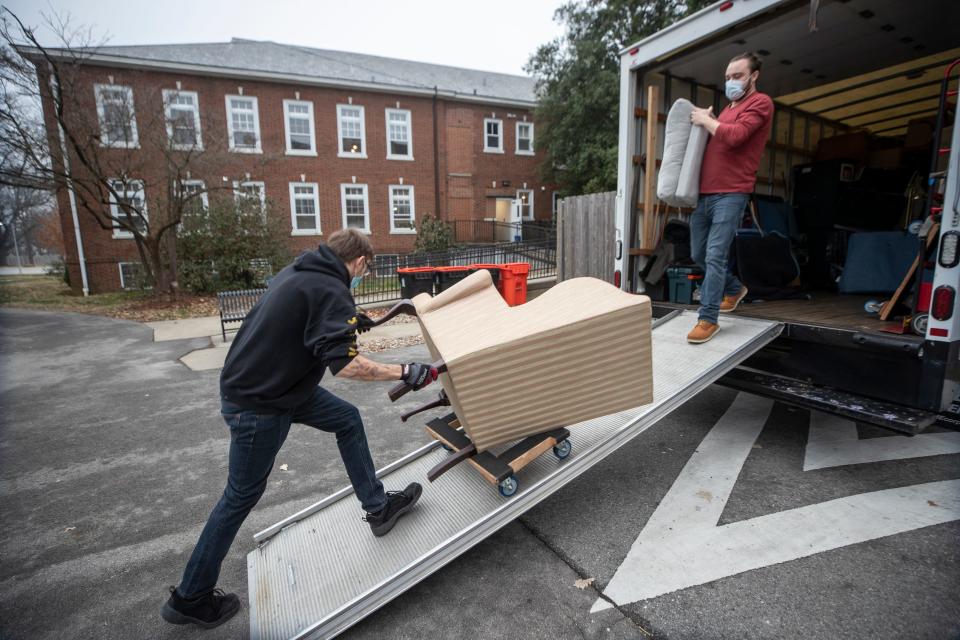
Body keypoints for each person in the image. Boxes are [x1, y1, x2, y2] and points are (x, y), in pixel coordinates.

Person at [161, 228, 437, 629]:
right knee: (239, 497)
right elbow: (347, 366)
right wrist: (406, 371)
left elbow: (303, 321)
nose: (360, 278)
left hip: (277, 387)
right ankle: (190, 596)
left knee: (347, 419)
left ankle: (378, 508)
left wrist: (349, 321)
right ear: (360, 262)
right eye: (364, 271)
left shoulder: (299, 271)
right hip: (259, 404)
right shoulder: (329, 289)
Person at [687, 52, 774, 344]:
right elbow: (722, 135)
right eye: (727, 77)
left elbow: (736, 137)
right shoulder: (727, 110)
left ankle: (708, 319)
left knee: (714, 254)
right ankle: (735, 288)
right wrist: (712, 120)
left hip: (732, 193)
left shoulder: (761, 103)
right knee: (699, 253)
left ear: (754, 76)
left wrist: (705, 121)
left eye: (737, 76)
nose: (731, 82)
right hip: (705, 194)